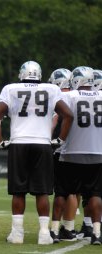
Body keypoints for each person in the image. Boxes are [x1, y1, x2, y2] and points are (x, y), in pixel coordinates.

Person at [0, 61, 73, 245]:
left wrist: (0, 141)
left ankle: (17, 233)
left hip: (19, 143)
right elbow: (68, 115)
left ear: (21, 74)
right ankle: (44, 234)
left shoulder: (10, 89)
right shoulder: (51, 89)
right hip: (42, 143)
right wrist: (60, 140)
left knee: (18, 192)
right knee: (42, 191)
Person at [59, 66, 102, 245]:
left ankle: (60, 228)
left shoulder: (70, 96)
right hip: (98, 151)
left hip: (73, 152)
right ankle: (96, 232)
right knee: (95, 193)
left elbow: (61, 118)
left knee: (67, 191)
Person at [47, 68, 79, 243]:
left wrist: (49, 139)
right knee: (73, 192)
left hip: (61, 149)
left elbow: (54, 122)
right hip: (77, 148)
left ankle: (54, 229)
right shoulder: (78, 96)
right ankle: (69, 228)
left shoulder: (58, 98)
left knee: (60, 192)